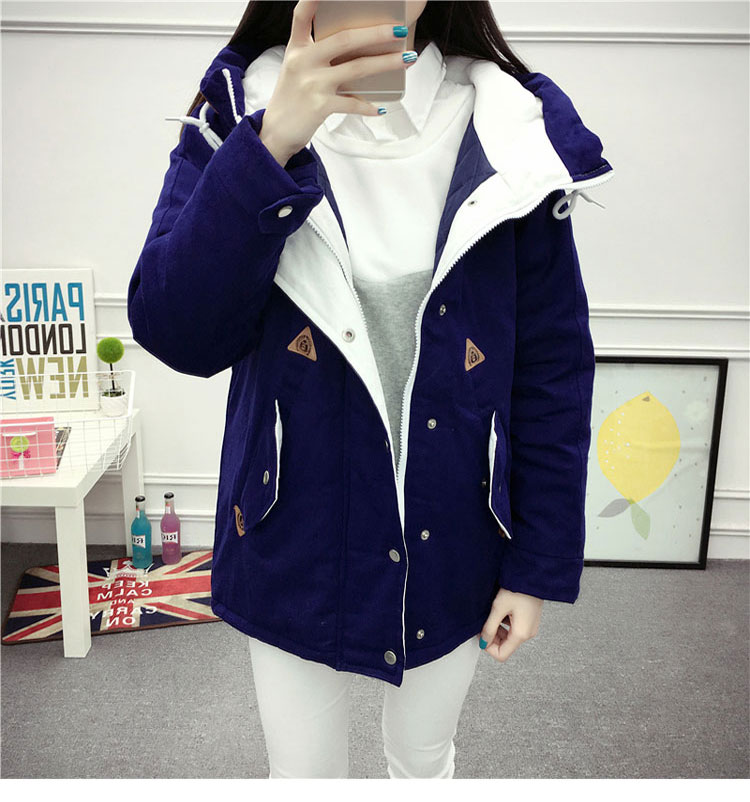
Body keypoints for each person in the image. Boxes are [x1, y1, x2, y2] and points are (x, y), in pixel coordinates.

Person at [127, 0, 614, 779]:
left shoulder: (511, 129)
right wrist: (271, 144)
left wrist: (536, 566)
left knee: (423, 764)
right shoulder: (237, 111)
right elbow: (177, 332)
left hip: (454, 534)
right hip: (291, 529)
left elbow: (551, 371)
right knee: (304, 779)